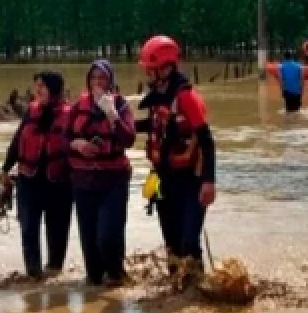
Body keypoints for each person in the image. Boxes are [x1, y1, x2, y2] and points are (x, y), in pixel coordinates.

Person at [135, 36, 217, 281]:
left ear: (166, 68)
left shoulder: (185, 98)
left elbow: (207, 141)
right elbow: (154, 126)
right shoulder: (157, 97)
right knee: (171, 244)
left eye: (150, 69)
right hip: (163, 180)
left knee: (189, 242)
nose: (147, 74)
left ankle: (199, 293)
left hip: (191, 181)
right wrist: (120, 124)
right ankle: (176, 293)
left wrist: (209, 182)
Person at [67, 60, 136, 287]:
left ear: (110, 81)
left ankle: (117, 277)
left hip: (113, 179)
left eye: (102, 78)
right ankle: (95, 286)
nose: (97, 82)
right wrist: (77, 144)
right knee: (89, 245)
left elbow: (129, 139)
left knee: (108, 236)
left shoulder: (121, 105)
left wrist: (112, 114)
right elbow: (62, 138)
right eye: (93, 78)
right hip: (83, 181)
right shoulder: (78, 106)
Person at [0, 71, 73, 280]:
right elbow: (16, 142)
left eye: (42, 86)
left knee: (57, 232)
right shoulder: (31, 112)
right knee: (29, 230)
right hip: (29, 181)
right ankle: (34, 277)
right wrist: (5, 169)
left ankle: (54, 275)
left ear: (55, 90)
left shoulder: (70, 114)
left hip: (59, 183)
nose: (37, 90)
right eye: (36, 86)